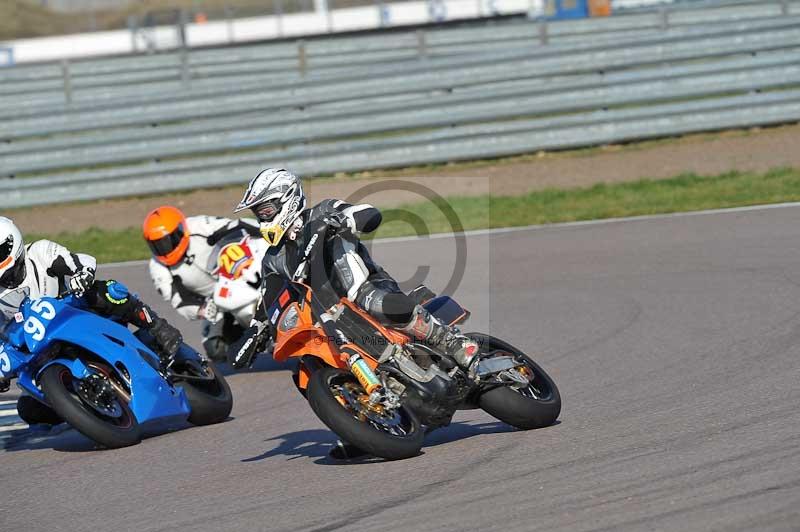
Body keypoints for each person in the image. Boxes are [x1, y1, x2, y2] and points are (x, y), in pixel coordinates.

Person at [228, 168, 479, 372]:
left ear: (287, 200)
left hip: (367, 288)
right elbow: (268, 300)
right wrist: (255, 331)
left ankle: (453, 342)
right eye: (258, 214)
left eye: (266, 211)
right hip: (327, 316)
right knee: (308, 361)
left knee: (375, 301)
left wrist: (344, 219)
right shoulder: (273, 259)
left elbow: (368, 214)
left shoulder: (323, 211)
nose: (262, 219)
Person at [0, 216, 183, 424]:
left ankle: (158, 328)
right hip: (39, 349)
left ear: (11, 244)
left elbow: (78, 261)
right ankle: (83, 414)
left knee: (107, 291)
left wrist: (81, 274)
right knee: (28, 409)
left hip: (74, 313)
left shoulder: (40, 252)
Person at [143, 206, 260, 361]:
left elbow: (237, 225)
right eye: (157, 245)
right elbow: (179, 301)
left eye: (167, 241)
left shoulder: (198, 226)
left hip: (240, 274)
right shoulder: (158, 267)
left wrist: (266, 234)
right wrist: (203, 309)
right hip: (215, 301)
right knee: (215, 348)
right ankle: (253, 343)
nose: (164, 249)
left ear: (180, 229)